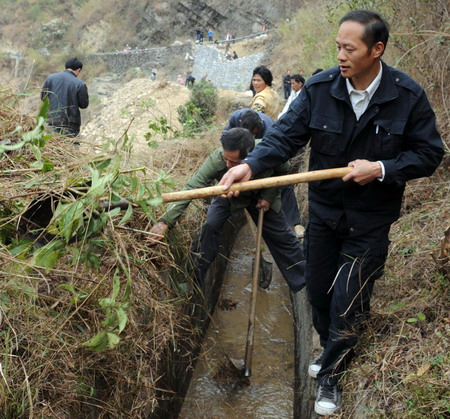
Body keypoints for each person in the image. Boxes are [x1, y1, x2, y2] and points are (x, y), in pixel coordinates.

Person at [218, 10, 443, 416]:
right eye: (338, 46)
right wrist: (250, 165)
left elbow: (429, 153)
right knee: (318, 291)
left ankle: (332, 376)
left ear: (376, 50)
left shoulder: (406, 96)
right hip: (323, 213)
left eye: (349, 48)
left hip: (371, 219)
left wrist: (380, 169)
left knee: (349, 299)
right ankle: (329, 346)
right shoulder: (320, 89)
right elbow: (285, 137)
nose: (340, 55)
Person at [149, 128, 306, 293]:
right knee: (210, 225)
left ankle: (307, 280)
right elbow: (191, 188)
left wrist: (268, 195)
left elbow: (283, 170)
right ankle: (193, 280)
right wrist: (166, 221)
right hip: (229, 196)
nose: (228, 165)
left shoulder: (267, 152)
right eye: (226, 160)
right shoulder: (216, 160)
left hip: (261, 194)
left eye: (234, 163)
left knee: (282, 237)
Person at [220, 109, 304, 238]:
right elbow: (225, 138)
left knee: (285, 185)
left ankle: (295, 223)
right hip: (239, 161)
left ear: (258, 128)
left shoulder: (270, 129)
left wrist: (267, 195)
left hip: (264, 162)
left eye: (253, 134)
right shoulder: (236, 117)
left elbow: (275, 163)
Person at [41, 57, 89, 138]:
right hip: (70, 124)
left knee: (52, 147)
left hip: (51, 121)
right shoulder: (80, 84)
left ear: (66, 67)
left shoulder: (50, 78)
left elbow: (43, 98)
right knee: (71, 148)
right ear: (78, 70)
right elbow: (84, 105)